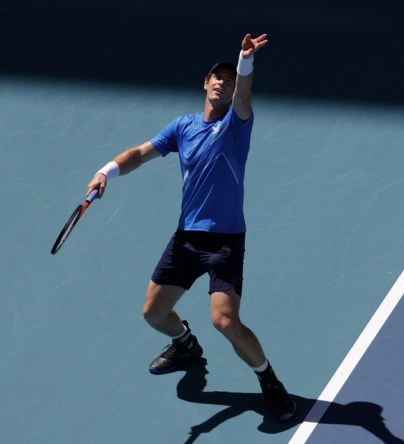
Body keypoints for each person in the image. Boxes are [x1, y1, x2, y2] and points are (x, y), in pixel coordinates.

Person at [86, 33, 296, 422]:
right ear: (205, 82)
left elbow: (246, 94)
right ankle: (185, 345)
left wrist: (245, 61)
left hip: (226, 242)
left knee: (224, 320)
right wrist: (105, 172)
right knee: (153, 313)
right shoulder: (182, 127)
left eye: (230, 79)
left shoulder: (237, 124)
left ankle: (270, 382)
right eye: (218, 77)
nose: (223, 82)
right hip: (187, 238)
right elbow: (139, 154)